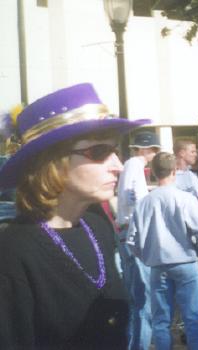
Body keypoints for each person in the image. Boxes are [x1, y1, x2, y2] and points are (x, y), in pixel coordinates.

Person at [0, 83, 149, 348]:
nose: (117, 166)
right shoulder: (12, 252)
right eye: (100, 152)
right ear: (53, 161)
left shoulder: (97, 225)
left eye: (116, 151)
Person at [127, 152, 198, 350]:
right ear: (174, 171)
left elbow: (132, 240)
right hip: (185, 261)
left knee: (161, 320)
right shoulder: (185, 199)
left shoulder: (144, 203)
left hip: (158, 265)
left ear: (153, 173)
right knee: (192, 317)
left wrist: (146, 256)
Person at [116, 130, 161, 350]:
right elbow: (135, 200)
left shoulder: (131, 165)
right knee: (144, 301)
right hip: (135, 234)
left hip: (127, 231)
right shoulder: (134, 164)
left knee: (136, 300)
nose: (154, 153)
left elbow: (129, 196)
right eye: (153, 149)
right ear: (145, 149)